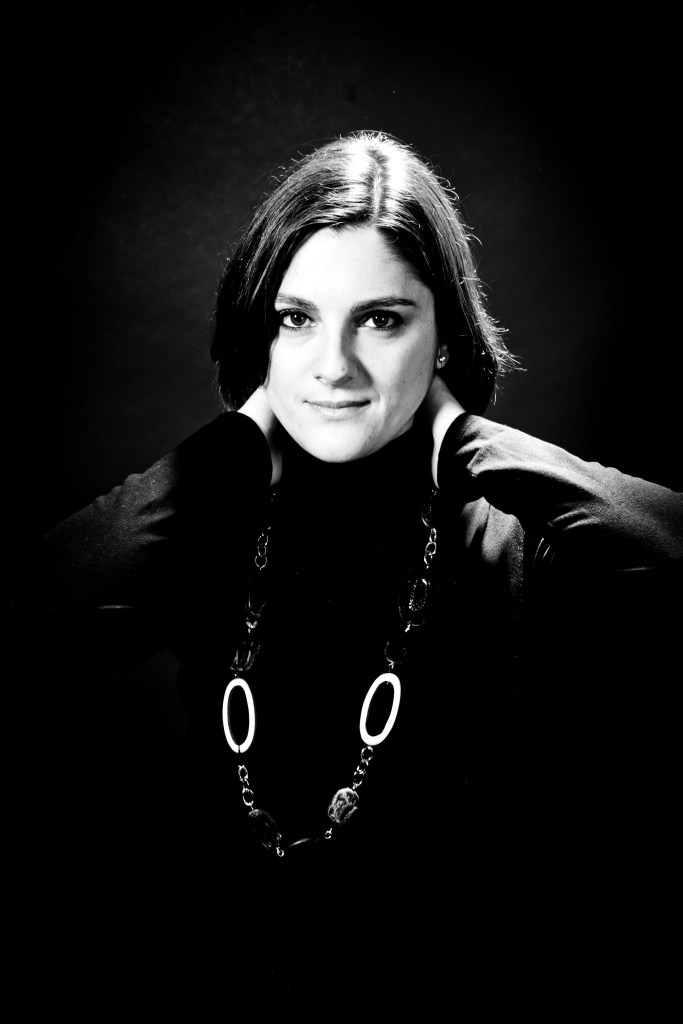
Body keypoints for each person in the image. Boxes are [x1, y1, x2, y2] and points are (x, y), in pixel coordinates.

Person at [14, 132, 682, 1012]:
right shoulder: (207, 532)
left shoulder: (519, 536)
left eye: (381, 319)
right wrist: (235, 448)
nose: (332, 366)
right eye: (295, 320)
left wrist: (466, 440)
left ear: (442, 340)